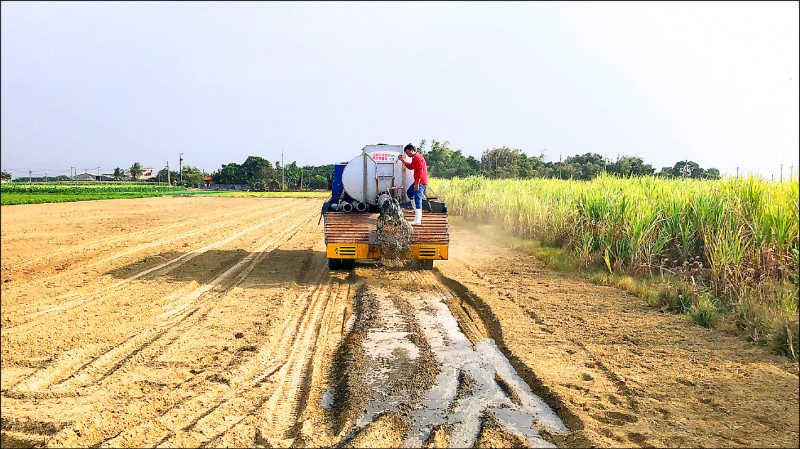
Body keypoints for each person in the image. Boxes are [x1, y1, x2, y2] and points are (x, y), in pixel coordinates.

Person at [401, 143, 428, 225]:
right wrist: (403, 161)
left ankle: (417, 220)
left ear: (412, 150)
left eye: (407, 152)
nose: (407, 154)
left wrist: (417, 184)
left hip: (420, 182)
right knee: (409, 192)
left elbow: (420, 171)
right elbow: (411, 167)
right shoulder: (415, 157)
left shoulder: (417, 158)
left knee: (418, 199)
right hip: (418, 181)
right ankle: (415, 209)